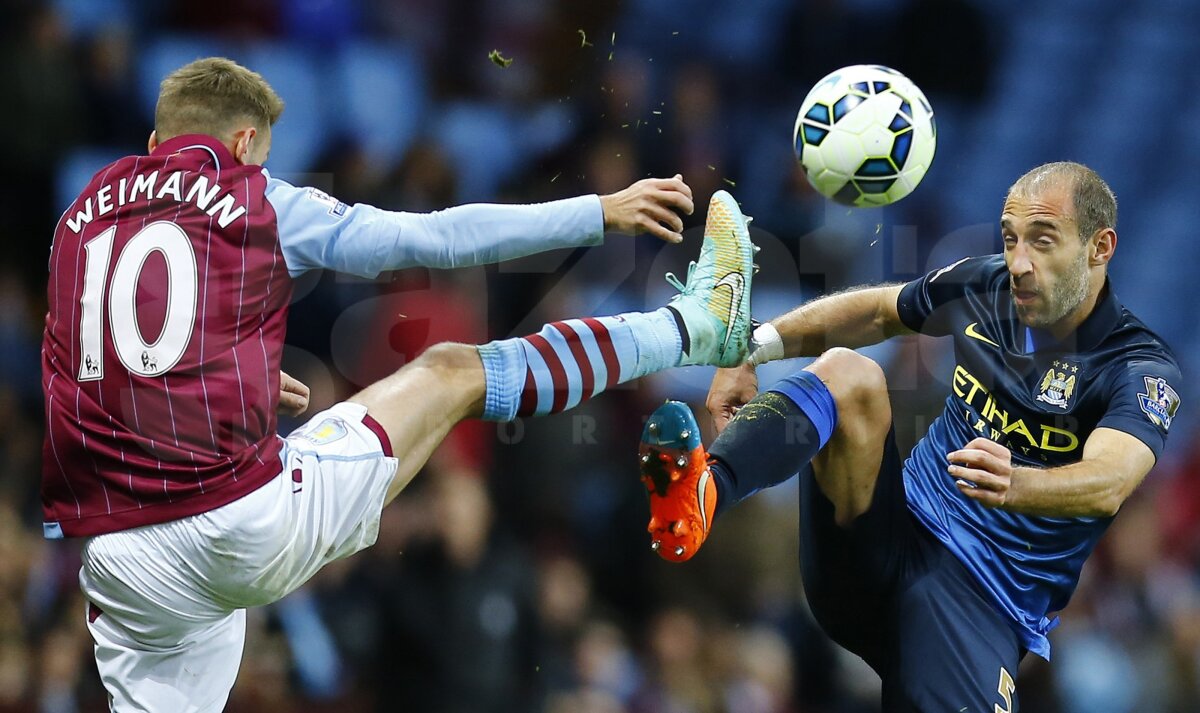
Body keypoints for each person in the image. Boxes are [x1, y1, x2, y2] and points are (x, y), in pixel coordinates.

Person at [41, 57, 757, 712]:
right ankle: (695, 327)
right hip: (235, 524)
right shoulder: (251, 195)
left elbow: (91, 364)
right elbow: (429, 238)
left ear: (156, 134)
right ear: (242, 143)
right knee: (451, 370)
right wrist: (594, 212)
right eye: (263, 155)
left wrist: (236, 376)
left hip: (118, 557)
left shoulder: (77, 219)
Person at [636, 162, 1181, 711]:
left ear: (1100, 247)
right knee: (849, 373)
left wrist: (1015, 485)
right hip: (880, 543)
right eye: (1011, 238)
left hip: (979, 602)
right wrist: (753, 347)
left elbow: (1110, 479)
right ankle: (707, 491)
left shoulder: (1138, 367)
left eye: (1042, 241)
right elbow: (877, 312)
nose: (1019, 262)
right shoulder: (987, 284)